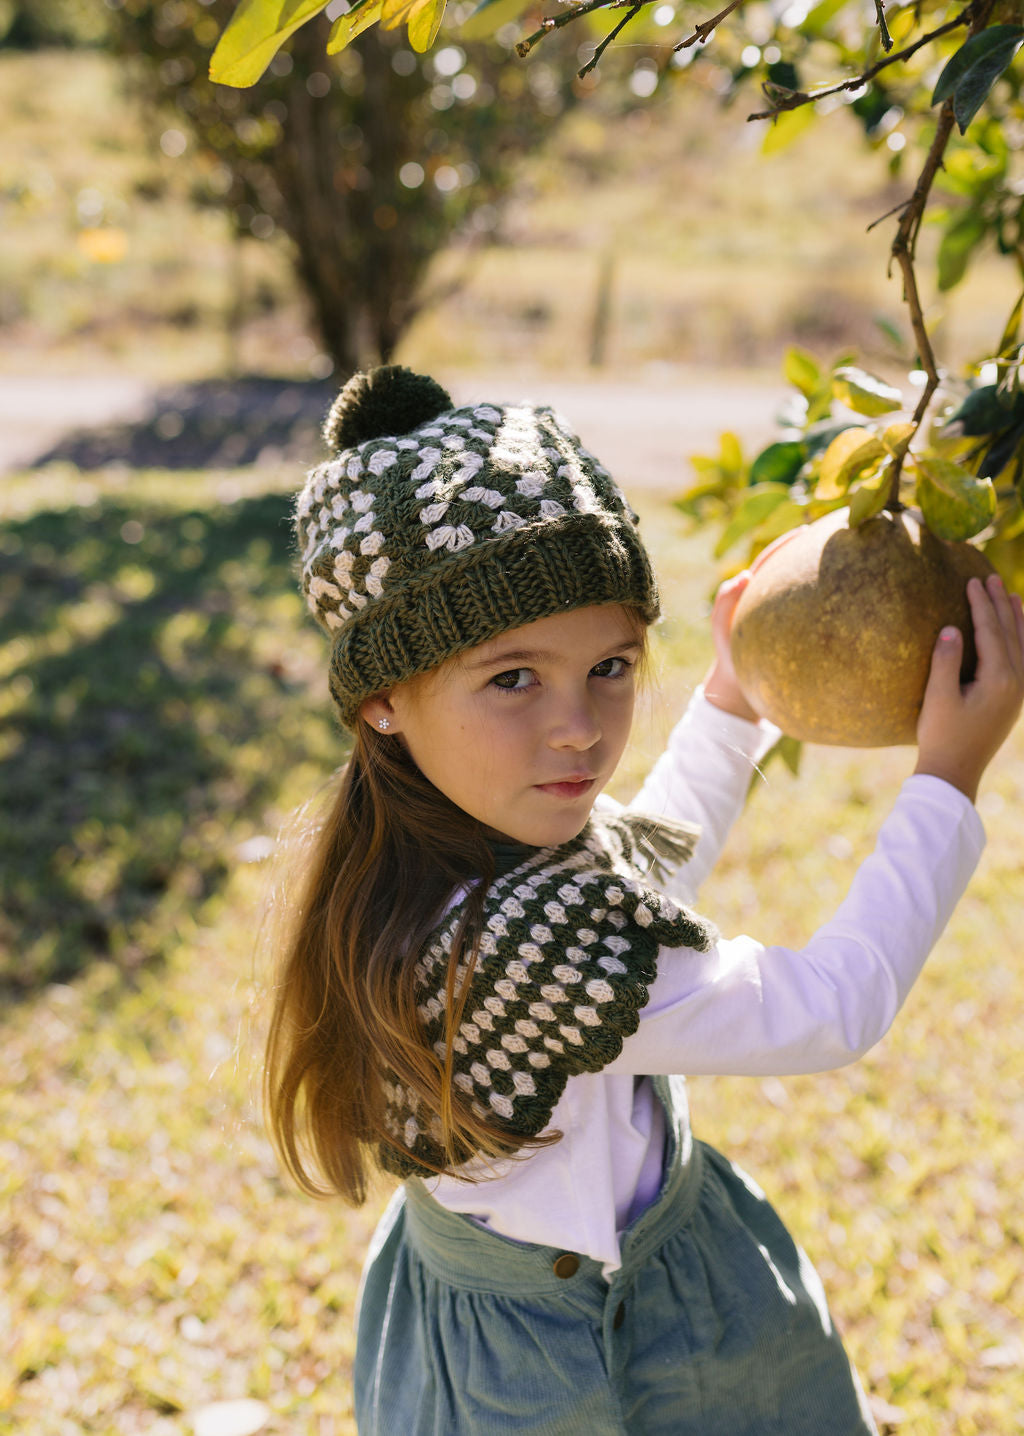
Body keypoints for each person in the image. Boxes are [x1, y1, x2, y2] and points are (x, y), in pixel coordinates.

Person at [264, 364, 1024, 1435]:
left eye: (611, 664)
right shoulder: (507, 942)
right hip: (534, 1355)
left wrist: (728, 701)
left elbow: (643, 857)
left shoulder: (464, 839)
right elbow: (827, 1008)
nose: (578, 725)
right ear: (384, 698)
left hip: (662, 1261)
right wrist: (945, 779)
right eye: (513, 678)